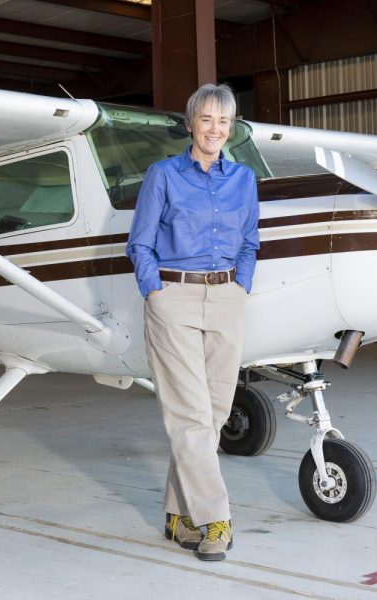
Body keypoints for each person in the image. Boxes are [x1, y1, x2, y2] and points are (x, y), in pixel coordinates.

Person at [125, 83, 260, 561]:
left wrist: (241, 284)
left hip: (227, 296)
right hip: (174, 298)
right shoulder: (163, 175)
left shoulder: (244, 179)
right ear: (190, 124)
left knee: (215, 415)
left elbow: (250, 241)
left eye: (224, 121)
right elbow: (139, 242)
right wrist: (155, 293)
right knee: (190, 416)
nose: (215, 128)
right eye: (206, 119)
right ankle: (215, 519)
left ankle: (177, 515)